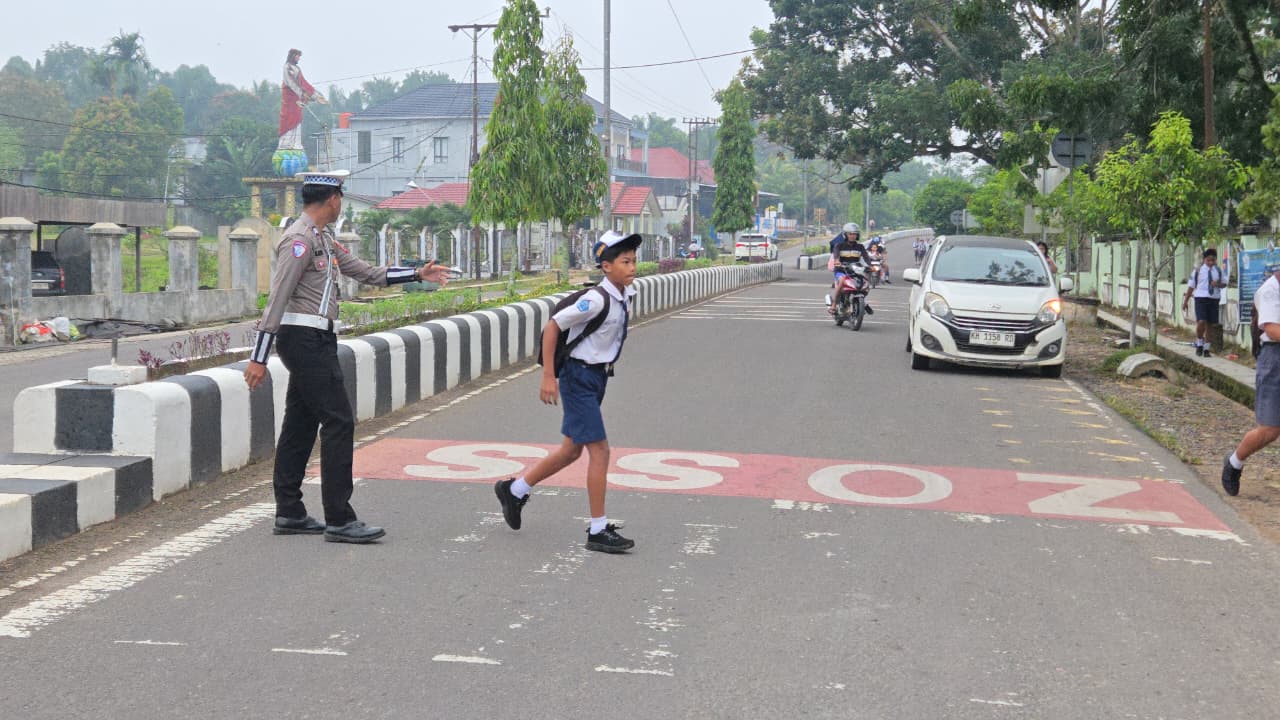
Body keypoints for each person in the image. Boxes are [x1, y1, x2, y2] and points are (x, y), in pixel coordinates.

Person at [243, 170, 453, 543]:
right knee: (339, 421)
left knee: (301, 424)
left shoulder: (324, 238)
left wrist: (417, 273)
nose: (341, 203)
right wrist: (258, 357)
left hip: (316, 340)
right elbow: (276, 300)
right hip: (303, 340)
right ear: (334, 199)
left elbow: (369, 272)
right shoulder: (299, 241)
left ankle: (289, 511)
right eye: (341, 197)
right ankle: (339, 518)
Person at [494, 231, 642, 554]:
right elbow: (553, 327)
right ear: (606, 266)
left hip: (596, 379)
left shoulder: (623, 294)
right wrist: (549, 375)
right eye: (625, 261)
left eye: (633, 260)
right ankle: (598, 529)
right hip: (578, 378)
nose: (632, 267)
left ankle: (514, 490)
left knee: (571, 451)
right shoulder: (596, 299)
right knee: (600, 451)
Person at [1223, 264, 1280, 496]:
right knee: (1270, 429)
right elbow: (1273, 329)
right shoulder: (1270, 290)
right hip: (1275, 358)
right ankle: (1235, 462)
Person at [1182, 248, 1228, 357]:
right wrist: (1186, 301)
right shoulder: (1197, 271)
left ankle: (1207, 349)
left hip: (1214, 299)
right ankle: (1199, 343)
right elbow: (1191, 287)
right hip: (1200, 298)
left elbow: (1224, 284)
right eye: (1208, 260)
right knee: (1201, 321)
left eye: (1213, 260)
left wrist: (1217, 284)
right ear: (1204, 259)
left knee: (1210, 325)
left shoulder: (1219, 271)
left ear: (1216, 260)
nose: (1211, 263)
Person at [278, 49, 325, 152]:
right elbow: (291, 83)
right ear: (293, 56)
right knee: (288, 119)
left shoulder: (297, 68)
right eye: (297, 56)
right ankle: (286, 143)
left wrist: (316, 96)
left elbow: (304, 83)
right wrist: (303, 95)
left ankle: (296, 143)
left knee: (298, 119)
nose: (299, 58)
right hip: (289, 99)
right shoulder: (287, 67)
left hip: (297, 100)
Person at [828, 223, 874, 316]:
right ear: (845, 235)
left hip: (855, 271)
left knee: (865, 284)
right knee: (842, 281)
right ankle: (833, 305)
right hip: (841, 270)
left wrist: (870, 266)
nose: (853, 236)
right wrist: (837, 261)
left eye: (855, 234)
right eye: (850, 234)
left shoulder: (860, 247)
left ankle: (862, 302)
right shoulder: (839, 245)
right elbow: (836, 254)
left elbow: (866, 258)